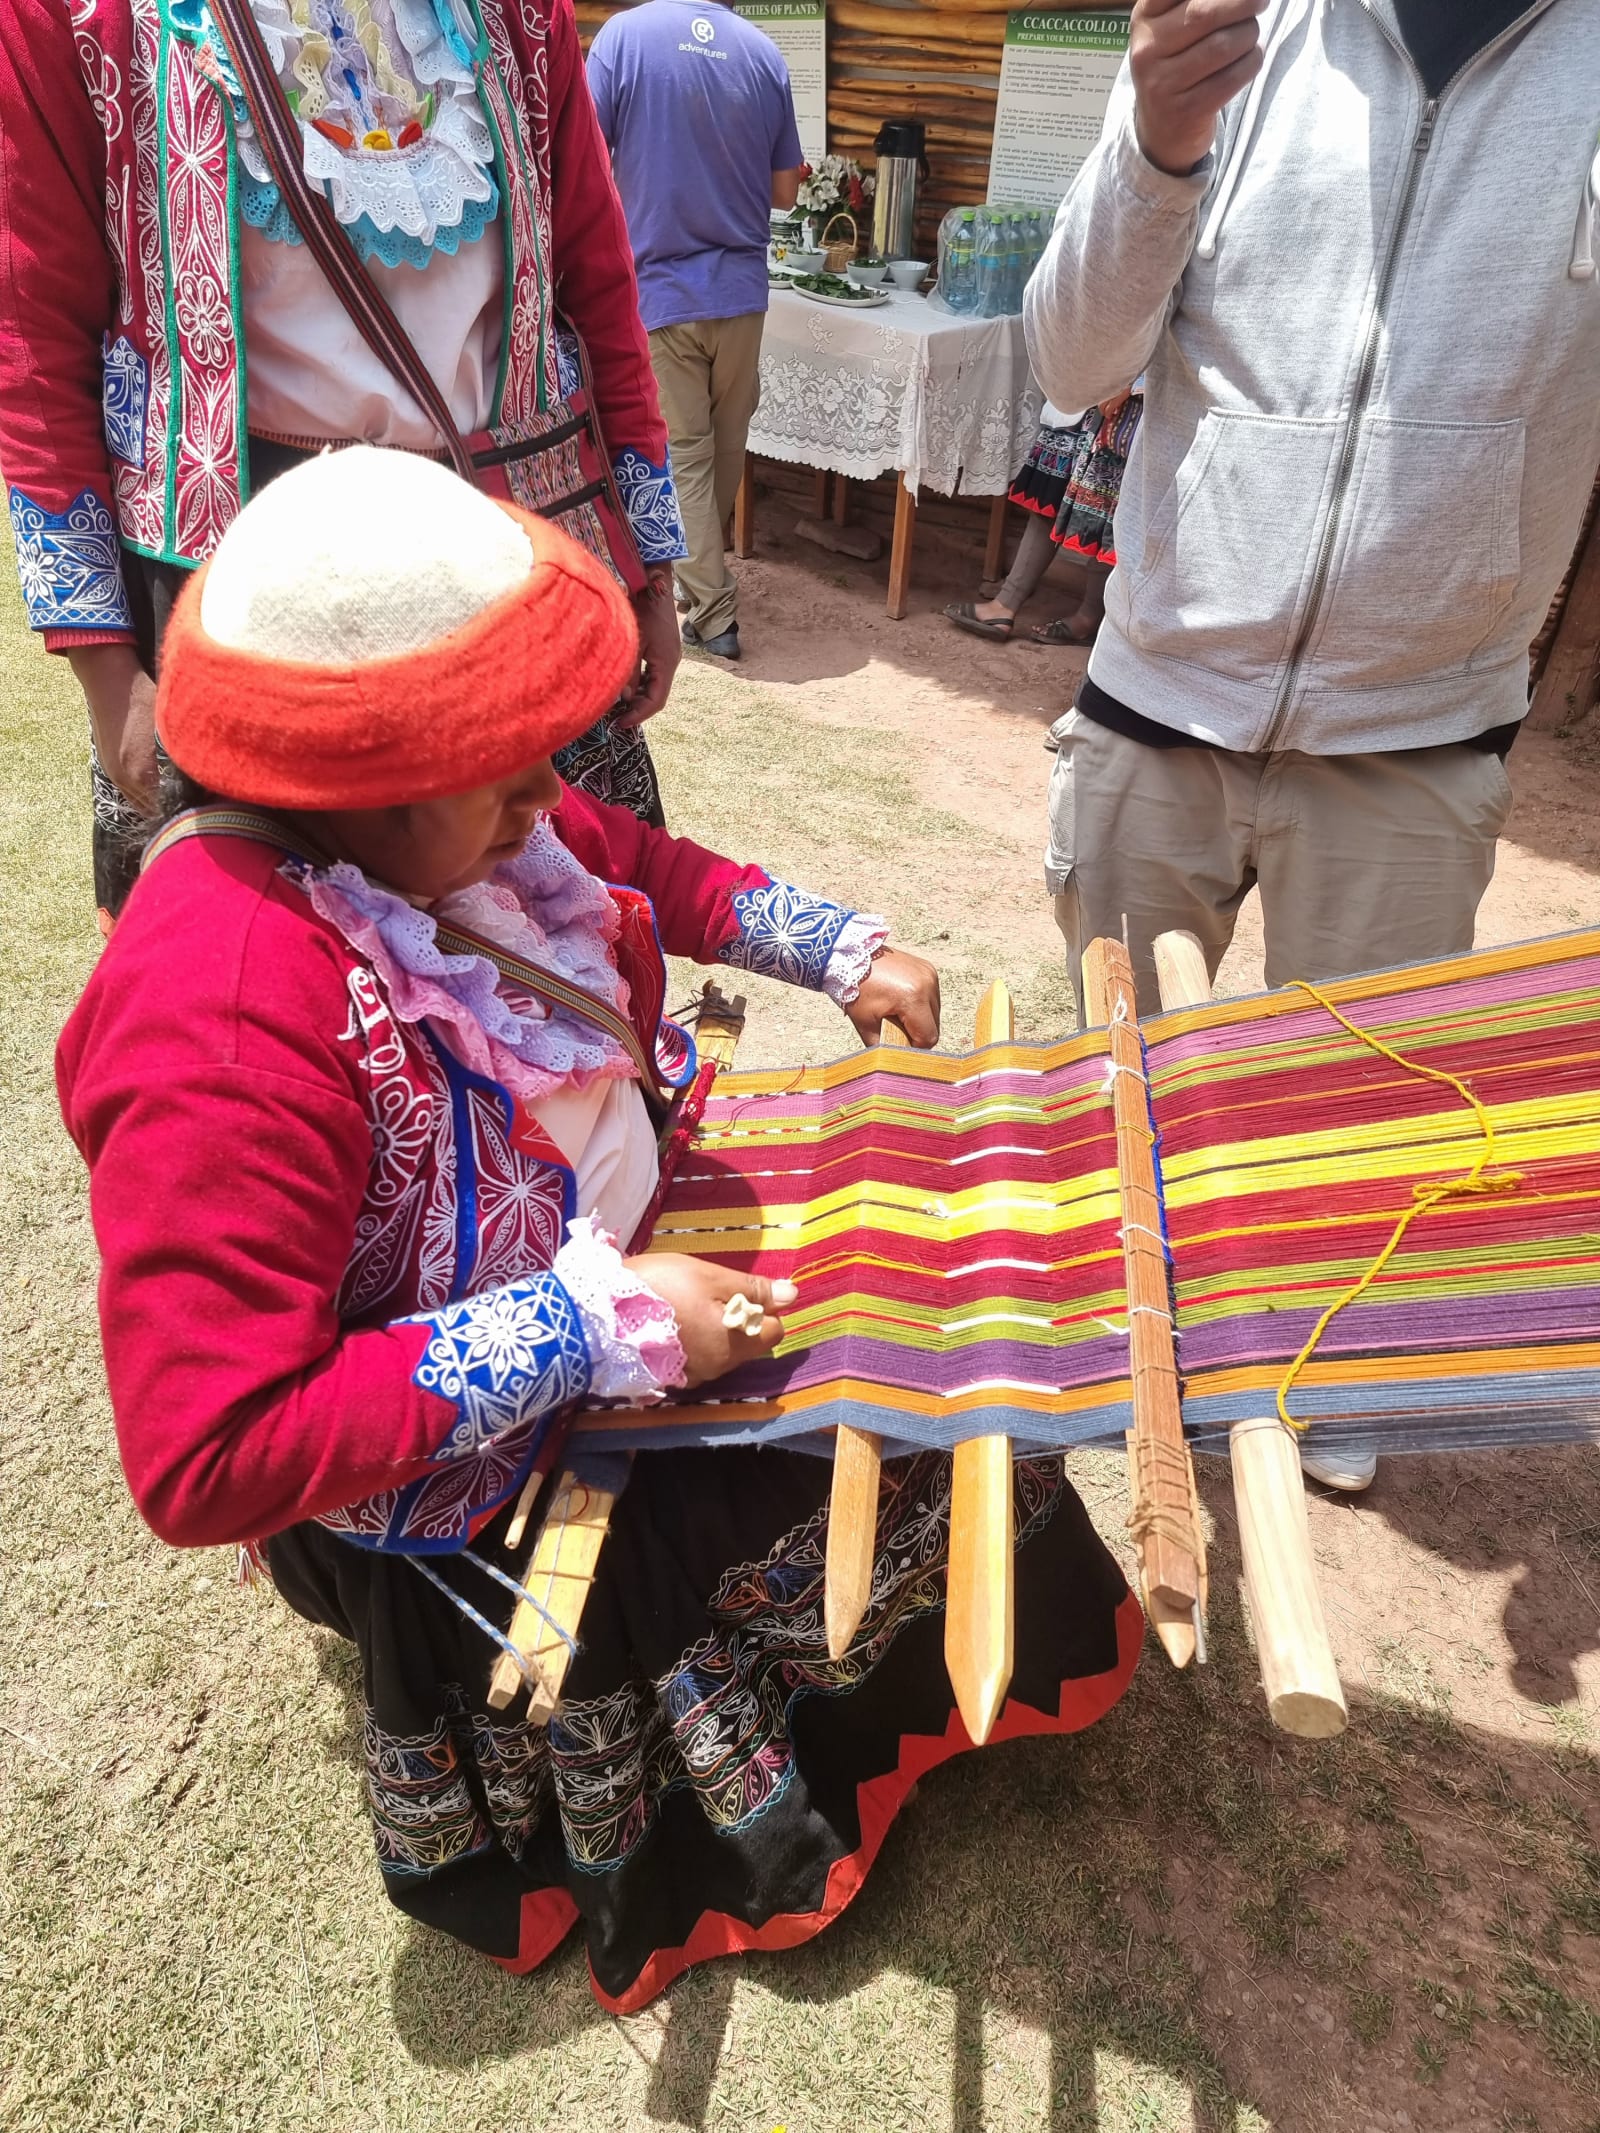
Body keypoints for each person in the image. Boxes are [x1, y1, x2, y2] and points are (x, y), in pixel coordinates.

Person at [56, 445, 1143, 2012]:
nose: (547, 799)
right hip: (476, 1447)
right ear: (345, 776)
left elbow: (632, 860)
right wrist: (586, 1326)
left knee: (930, 1371)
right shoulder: (220, 1015)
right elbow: (205, 1446)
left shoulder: (449, 831)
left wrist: (835, 948)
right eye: (500, 767)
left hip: (624, 1243)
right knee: (802, 1472)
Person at [1025, 0, 1600, 1490]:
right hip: (1163, 684)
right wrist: (1156, 142)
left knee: (1363, 1114)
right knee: (1129, 1079)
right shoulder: (1233, 28)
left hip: (1425, 717)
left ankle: (1331, 1388)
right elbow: (1069, 354)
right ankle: (1137, 1361)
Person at [0, 0, 689, 926]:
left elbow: (595, 277)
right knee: (270, 978)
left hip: (498, 543)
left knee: (550, 937)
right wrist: (105, 666)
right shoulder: (75, 17)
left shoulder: (521, 13)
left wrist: (648, 567)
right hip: (242, 580)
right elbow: (33, 335)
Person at [588, 0, 805, 663]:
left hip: (660, 289)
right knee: (724, 444)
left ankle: (712, 614)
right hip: (741, 295)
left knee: (684, 453)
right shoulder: (764, 55)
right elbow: (787, 190)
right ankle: (701, 588)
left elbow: (584, 156)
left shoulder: (622, 39)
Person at [944, 390, 1145, 648]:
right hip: (1092, 385)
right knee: (1052, 498)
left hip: (1132, 400)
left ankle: (1088, 617)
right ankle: (1005, 604)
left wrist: (1127, 384)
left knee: (1108, 516)